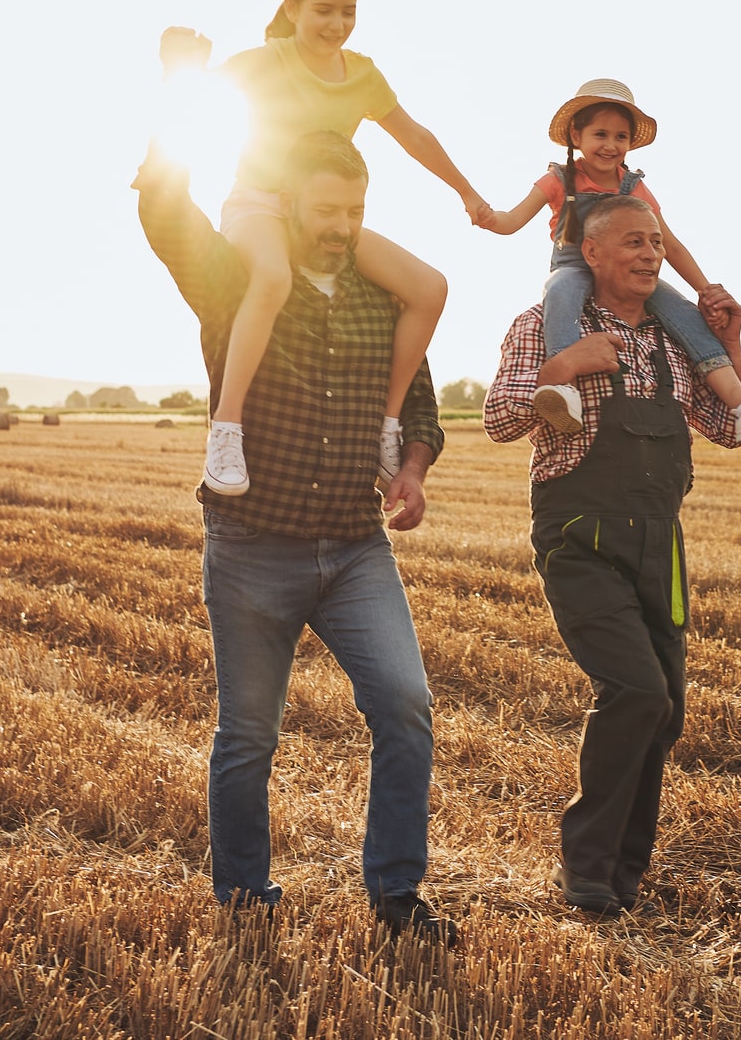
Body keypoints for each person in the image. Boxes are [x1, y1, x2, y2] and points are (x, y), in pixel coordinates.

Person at [133, 127, 456, 943]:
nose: (341, 226)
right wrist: (170, 127)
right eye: (326, 208)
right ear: (287, 202)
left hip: (354, 547)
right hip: (251, 547)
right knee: (248, 733)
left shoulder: (384, 300)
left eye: (355, 210)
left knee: (407, 707)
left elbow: (419, 407)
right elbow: (172, 225)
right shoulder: (236, 281)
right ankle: (243, 898)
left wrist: (413, 468)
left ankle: (395, 894)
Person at [483, 193, 741, 916]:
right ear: (592, 253)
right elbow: (500, 418)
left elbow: (730, 429)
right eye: (633, 242)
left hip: (658, 541)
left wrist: (731, 345)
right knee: (635, 692)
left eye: (656, 244)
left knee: (662, 712)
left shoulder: (678, 339)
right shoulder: (545, 324)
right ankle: (587, 867)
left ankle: (624, 874)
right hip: (581, 535)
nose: (649, 254)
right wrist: (565, 366)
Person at [159, 0, 492, 500]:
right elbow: (197, 96)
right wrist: (180, 67)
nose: (337, 24)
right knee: (271, 279)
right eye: (324, 10)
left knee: (429, 288)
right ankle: (227, 428)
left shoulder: (362, 76)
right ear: (292, 7)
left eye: (349, 11)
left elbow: (416, 138)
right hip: (261, 206)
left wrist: (469, 195)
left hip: (327, 220)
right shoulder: (266, 61)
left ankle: (387, 428)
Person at [479, 78, 741, 445]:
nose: (611, 145)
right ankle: (563, 389)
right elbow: (512, 220)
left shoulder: (635, 187)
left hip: (631, 274)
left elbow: (670, 245)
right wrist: (489, 217)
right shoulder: (558, 179)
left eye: (621, 137)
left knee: (687, 314)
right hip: (573, 265)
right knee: (559, 291)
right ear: (576, 136)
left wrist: (705, 290)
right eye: (601, 134)